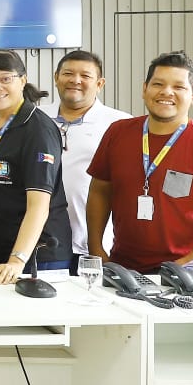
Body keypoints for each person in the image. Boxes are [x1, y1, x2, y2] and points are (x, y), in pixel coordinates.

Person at [88, 51, 193, 272]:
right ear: (144, 89)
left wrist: (187, 264)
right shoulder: (118, 132)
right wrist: (96, 248)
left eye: (179, 87)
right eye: (158, 84)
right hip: (122, 269)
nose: (166, 92)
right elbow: (100, 189)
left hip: (185, 275)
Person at [0, 50, 71, 283]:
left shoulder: (38, 129)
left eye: (5, 79)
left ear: (23, 80)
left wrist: (18, 259)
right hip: (3, 243)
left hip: (38, 251)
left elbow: (39, 205)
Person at [39, 50, 130, 264]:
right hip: (44, 241)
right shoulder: (35, 118)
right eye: (68, 73)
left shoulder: (120, 124)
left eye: (85, 76)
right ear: (56, 77)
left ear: (100, 83)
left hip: (97, 246)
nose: (75, 81)